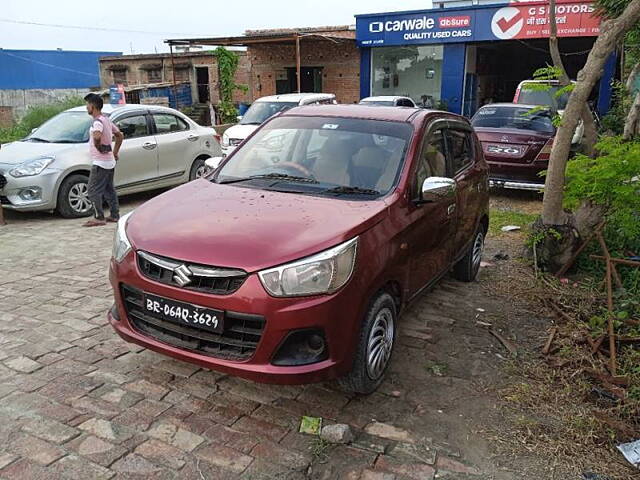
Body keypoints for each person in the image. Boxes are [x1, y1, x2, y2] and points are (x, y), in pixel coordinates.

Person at [83, 93, 123, 227]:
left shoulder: (97, 122)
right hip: (110, 161)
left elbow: (97, 136)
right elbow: (119, 135)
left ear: (93, 106)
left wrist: (98, 145)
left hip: (100, 162)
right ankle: (114, 215)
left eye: (87, 104)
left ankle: (98, 217)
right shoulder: (106, 120)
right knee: (109, 189)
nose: (86, 107)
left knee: (92, 190)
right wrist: (115, 152)